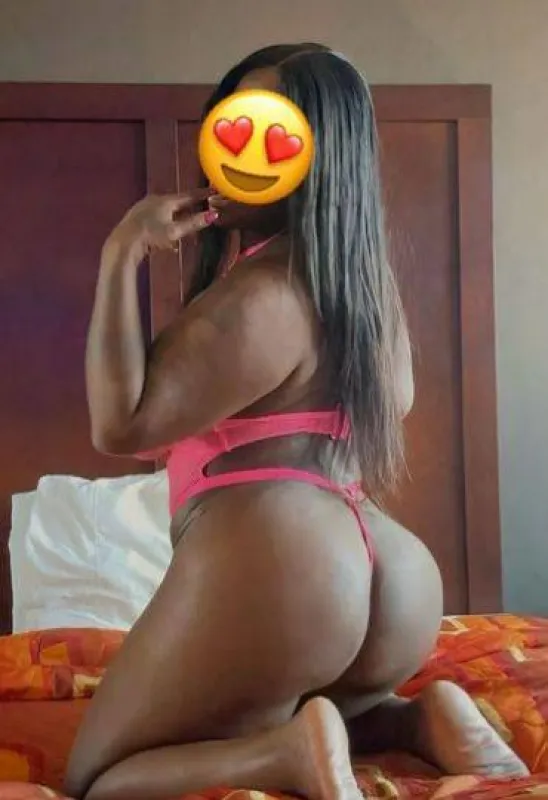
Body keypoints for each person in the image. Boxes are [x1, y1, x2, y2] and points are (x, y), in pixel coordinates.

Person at [64, 43, 528, 800]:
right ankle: (413, 720)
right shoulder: (366, 294)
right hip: (390, 571)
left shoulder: (260, 295)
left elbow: (120, 426)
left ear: (317, 156)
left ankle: (282, 757)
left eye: (270, 133)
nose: (236, 151)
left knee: (100, 777)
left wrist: (123, 252)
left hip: (284, 569)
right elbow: (398, 400)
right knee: (304, 702)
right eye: (230, 126)